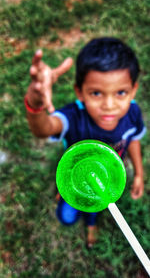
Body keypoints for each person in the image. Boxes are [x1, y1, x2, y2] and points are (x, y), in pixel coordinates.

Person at [25, 37, 146, 248]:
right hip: (75, 176)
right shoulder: (74, 117)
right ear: (80, 92)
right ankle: (65, 194)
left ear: (133, 91)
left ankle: (91, 224)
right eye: (96, 93)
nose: (109, 105)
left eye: (120, 93)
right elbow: (44, 129)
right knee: (67, 217)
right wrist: (35, 102)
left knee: (95, 206)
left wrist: (139, 174)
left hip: (106, 179)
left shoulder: (133, 113)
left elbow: (133, 139)